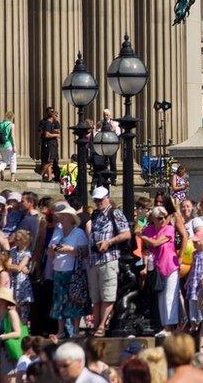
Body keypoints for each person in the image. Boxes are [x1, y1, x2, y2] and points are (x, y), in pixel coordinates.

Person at [85, 186, 131, 336]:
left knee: (108, 294)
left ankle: (102, 325)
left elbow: (126, 234)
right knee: (96, 296)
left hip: (108, 258)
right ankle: (96, 324)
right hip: (94, 260)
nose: (98, 203)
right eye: (96, 200)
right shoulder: (96, 215)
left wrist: (109, 242)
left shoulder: (115, 213)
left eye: (100, 200)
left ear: (107, 198)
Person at [47, 203, 89, 338]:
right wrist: (54, 249)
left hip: (73, 270)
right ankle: (60, 331)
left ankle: (76, 331)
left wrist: (70, 250)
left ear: (71, 219)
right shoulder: (57, 232)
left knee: (74, 301)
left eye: (65, 217)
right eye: (61, 217)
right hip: (59, 269)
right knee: (59, 301)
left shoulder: (79, 233)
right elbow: (49, 251)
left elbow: (84, 252)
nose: (62, 219)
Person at [140, 206, 181, 334]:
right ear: (153, 219)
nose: (162, 220)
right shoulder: (149, 229)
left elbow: (155, 243)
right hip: (157, 267)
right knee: (161, 297)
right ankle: (164, 326)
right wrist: (142, 215)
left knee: (170, 297)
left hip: (170, 265)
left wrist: (141, 236)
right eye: (159, 218)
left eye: (164, 217)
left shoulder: (169, 229)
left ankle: (169, 326)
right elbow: (139, 228)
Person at [39, 108, 60, 182]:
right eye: (56, 116)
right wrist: (55, 135)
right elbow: (47, 134)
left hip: (52, 145)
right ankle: (40, 175)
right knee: (48, 162)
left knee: (49, 161)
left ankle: (49, 178)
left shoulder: (52, 123)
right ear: (52, 116)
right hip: (49, 145)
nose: (57, 117)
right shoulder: (47, 123)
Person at [0, 111, 16, 182]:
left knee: (4, 161)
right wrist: (14, 146)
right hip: (9, 145)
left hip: (2, 145)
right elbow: (12, 136)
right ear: (12, 117)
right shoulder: (11, 125)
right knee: (13, 160)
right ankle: (13, 177)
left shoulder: (0, 124)